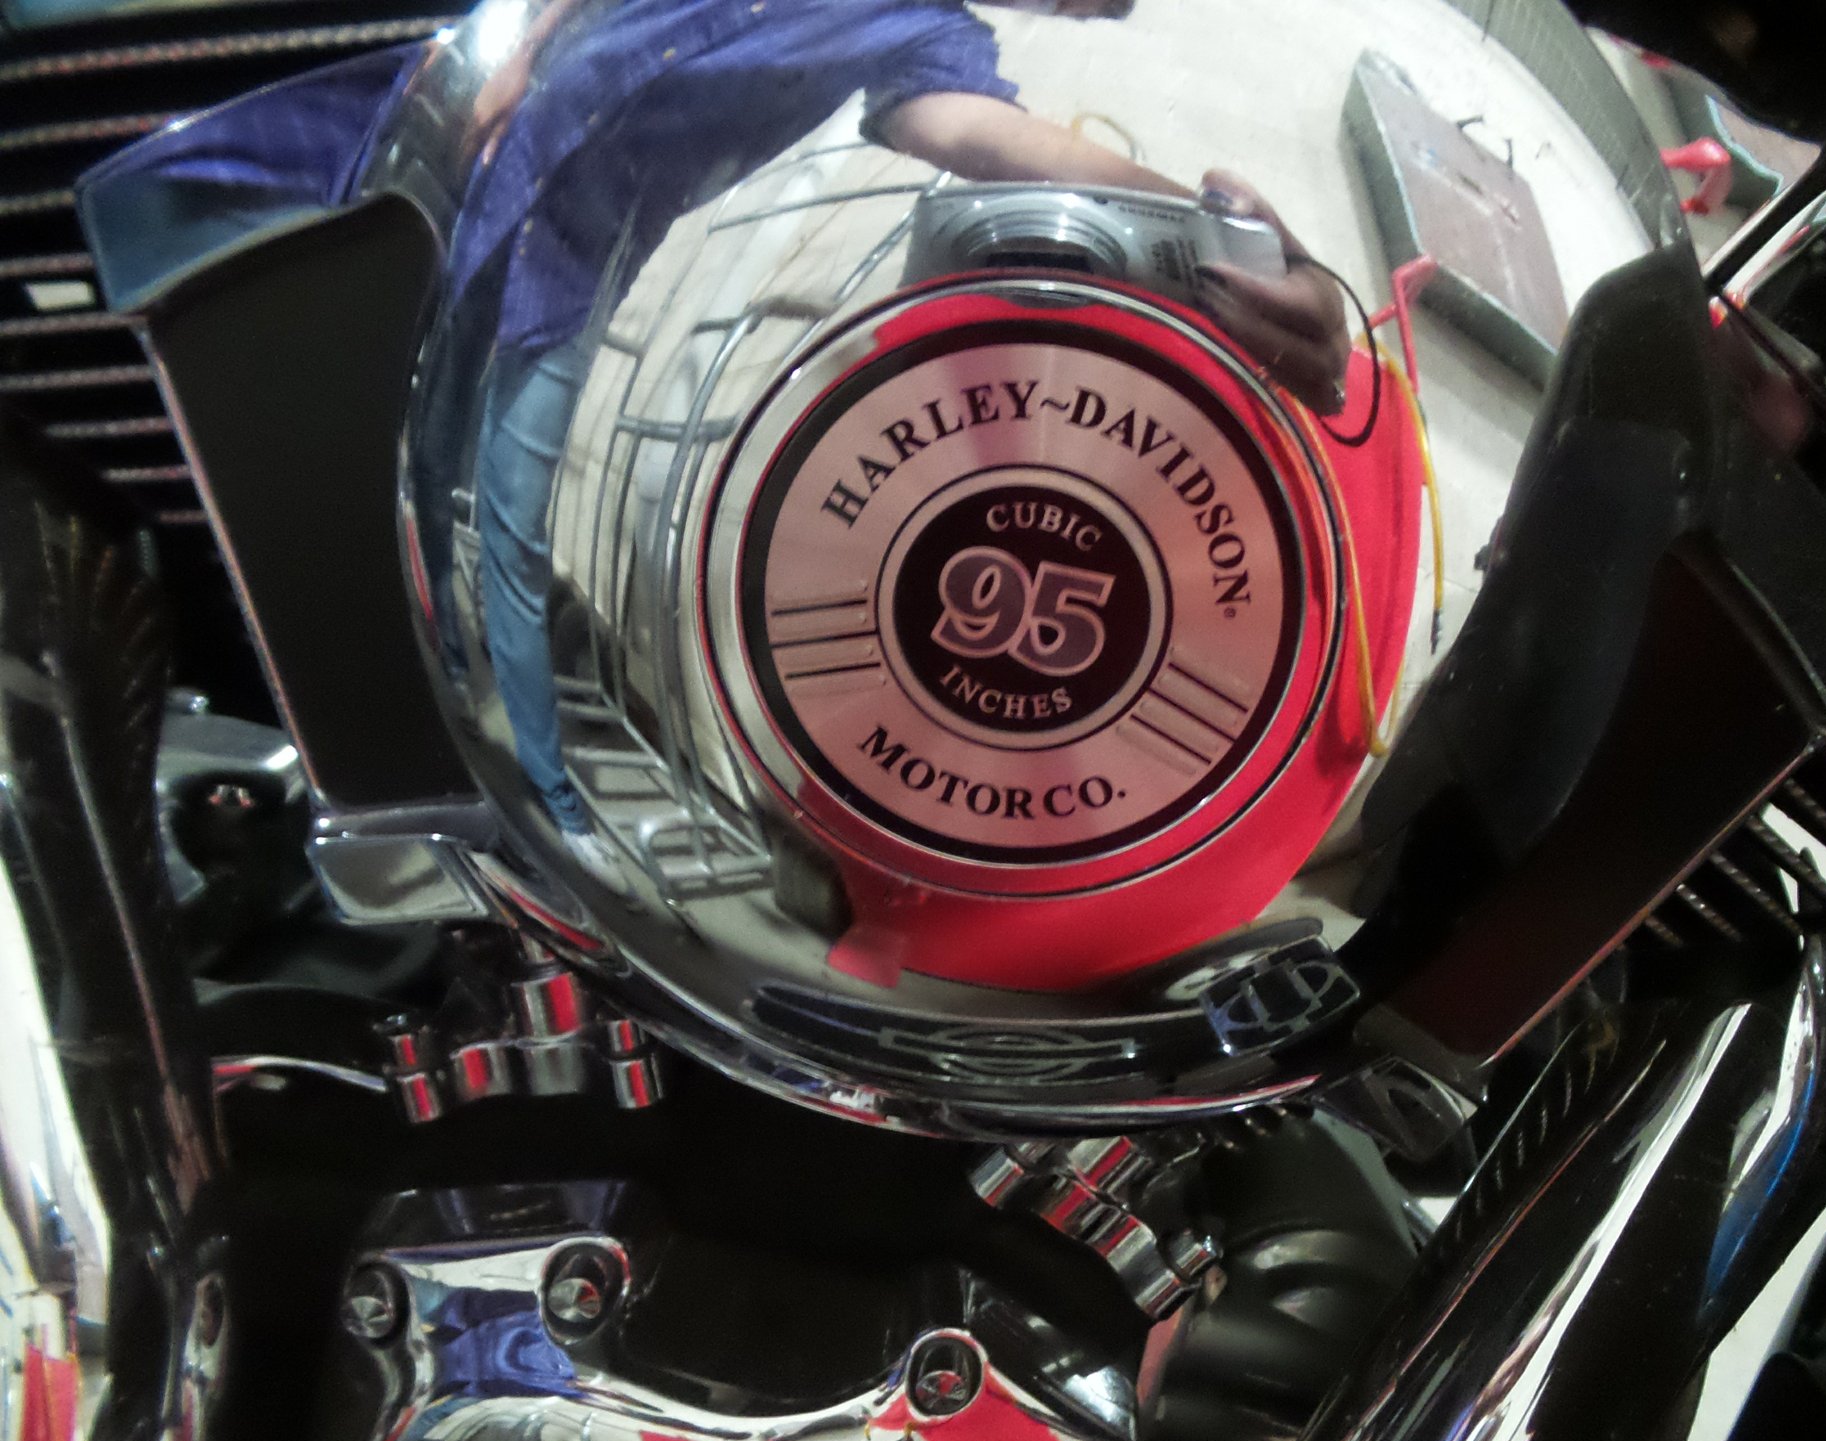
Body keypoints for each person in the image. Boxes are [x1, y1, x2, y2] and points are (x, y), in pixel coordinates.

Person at [443, 0, 1351, 895]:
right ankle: (442, 669)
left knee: (511, 522)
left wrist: (1225, 239)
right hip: (480, 166)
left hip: (562, 266)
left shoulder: (925, 36)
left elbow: (981, 134)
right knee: (429, 449)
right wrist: (522, 49)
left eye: (1073, 9)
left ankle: (546, 807)